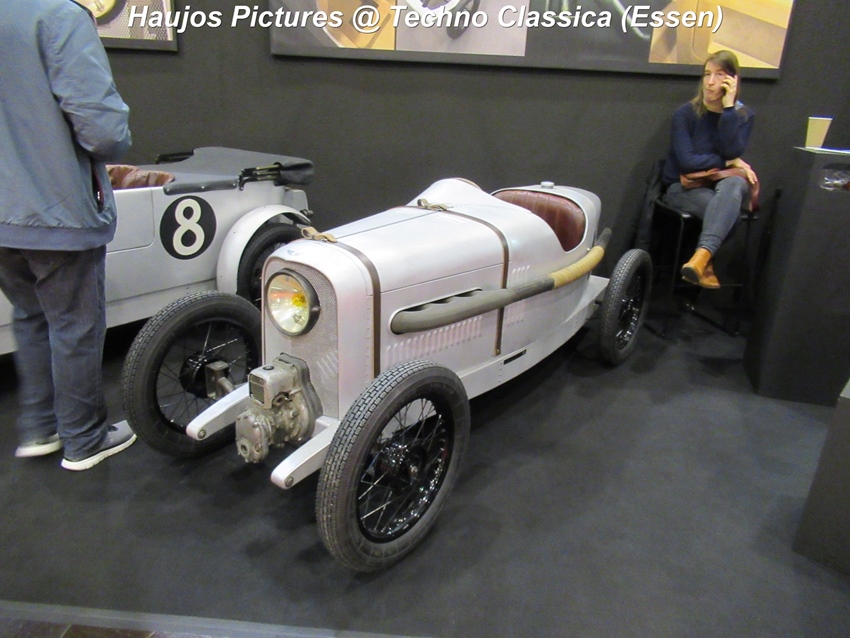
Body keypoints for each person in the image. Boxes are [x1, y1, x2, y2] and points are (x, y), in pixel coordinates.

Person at [0, 0, 135, 470]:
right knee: (75, 326)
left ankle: (40, 429)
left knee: (30, 316)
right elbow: (104, 131)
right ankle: (85, 439)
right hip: (54, 207)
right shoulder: (59, 16)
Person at [660, 50, 757, 289]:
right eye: (706, 74)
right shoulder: (685, 114)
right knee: (729, 213)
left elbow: (731, 149)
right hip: (682, 186)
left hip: (720, 187)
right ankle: (705, 262)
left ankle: (700, 257)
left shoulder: (743, 115)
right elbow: (688, 162)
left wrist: (728, 109)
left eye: (719, 75)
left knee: (735, 183)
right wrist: (728, 163)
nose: (710, 82)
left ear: (732, 81)